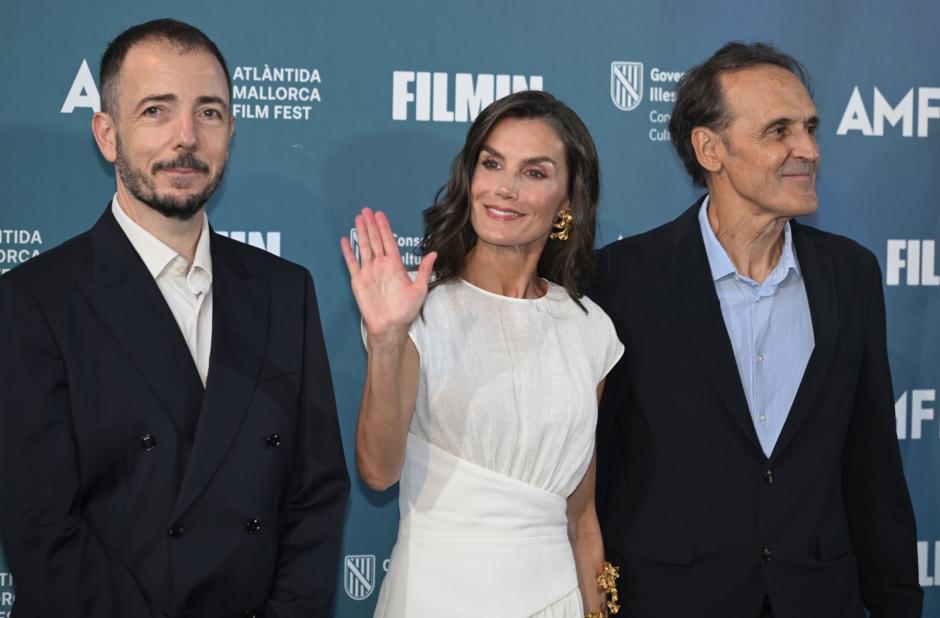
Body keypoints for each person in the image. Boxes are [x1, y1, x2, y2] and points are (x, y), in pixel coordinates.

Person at [0, 19, 349, 617]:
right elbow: (43, 529)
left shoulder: (284, 290)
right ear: (107, 134)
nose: (186, 137)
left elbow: (315, 494)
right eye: (156, 111)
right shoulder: (33, 301)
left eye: (208, 112)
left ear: (230, 132)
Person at [591, 42, 922, 618]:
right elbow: (593, 469)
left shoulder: (851, 273)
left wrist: (896, 602)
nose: (808, 150)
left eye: (810, 128)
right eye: (779, 131)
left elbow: (872, 467)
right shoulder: (621, 279)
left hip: (818, 597)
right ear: (710, 149)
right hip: (670, 599)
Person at [340, 90, 624, 617]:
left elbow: (581, 520)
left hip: (555, 600)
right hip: (434, 600)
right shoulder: (421, 311)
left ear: (568, 201)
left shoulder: (590, 329)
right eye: (492, 164)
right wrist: (386, 340)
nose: (505, 188)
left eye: (534, 172)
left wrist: (597, 610)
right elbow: (378, 472)